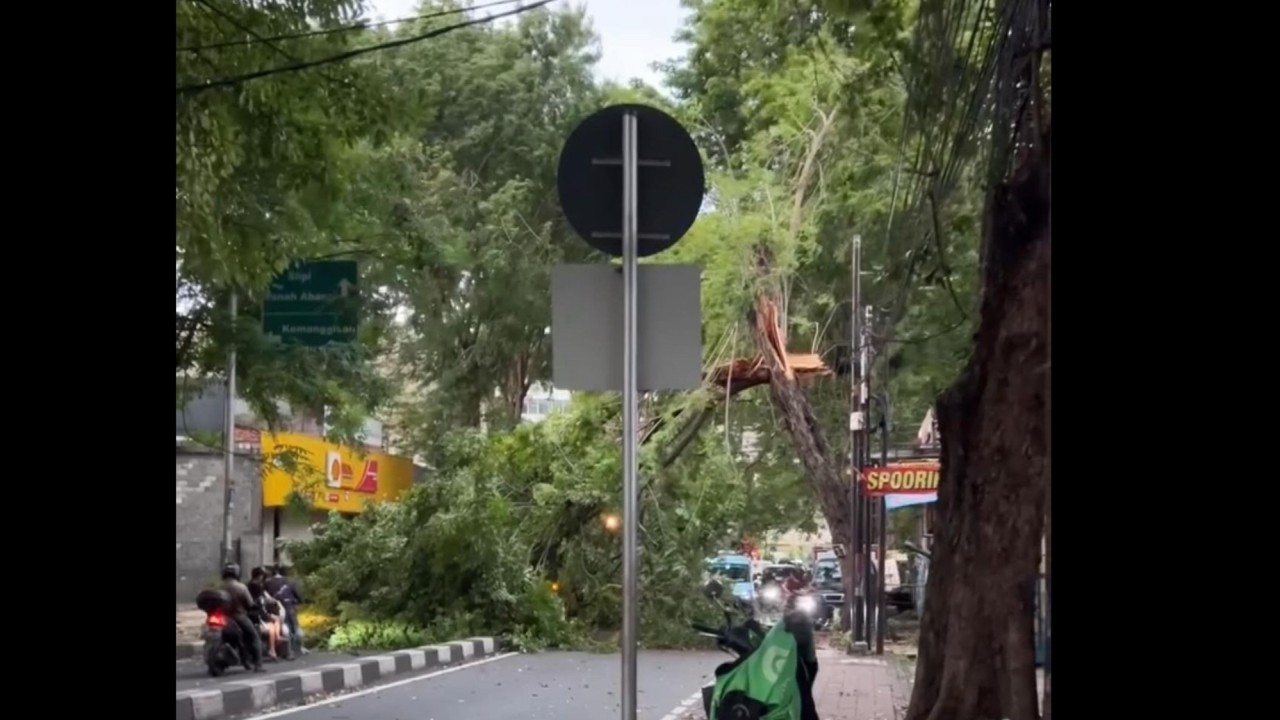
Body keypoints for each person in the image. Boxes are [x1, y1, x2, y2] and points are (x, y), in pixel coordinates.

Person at [221, 563, 263, 672]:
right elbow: (250, 604)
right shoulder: (241, 587)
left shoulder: (219, 587)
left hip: (222, 619)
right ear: (237, 573)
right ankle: (258, 665)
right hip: (238, 617)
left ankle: (245, 661)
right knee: (255, 637)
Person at [266, 565, 306, 654]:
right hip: (289, 605)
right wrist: (300, 601)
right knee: (295, 626)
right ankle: (300, 647)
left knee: (283, 626)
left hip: (275, 608)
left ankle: (285, 649)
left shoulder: (268, 583)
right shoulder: (290, 582)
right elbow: (297, 595)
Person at [248, 567, 284, 661]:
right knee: (273, 625)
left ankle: (275, 643)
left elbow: (266, 599)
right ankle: (273, 647)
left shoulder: (250, 586)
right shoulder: (257, 588)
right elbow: (263, 603)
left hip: (254, 613)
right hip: (257, 614)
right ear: (260, 576)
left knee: (273, 622)